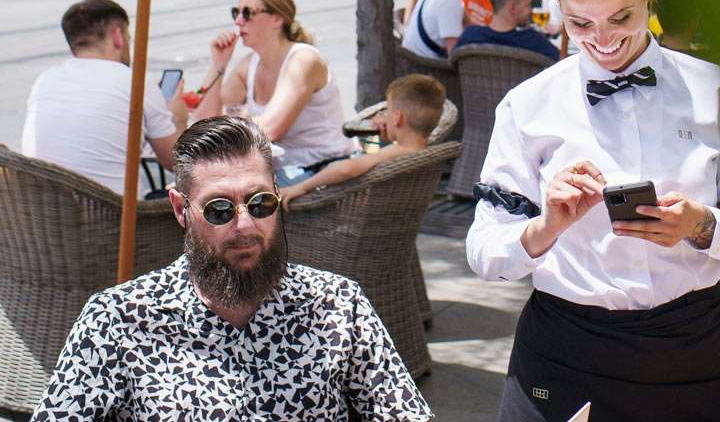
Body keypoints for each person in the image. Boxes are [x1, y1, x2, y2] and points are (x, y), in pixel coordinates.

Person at [467, 0, 720, 421]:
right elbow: (483, 252)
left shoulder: (716, 91)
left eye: (620, 18)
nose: (603, 40)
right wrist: (546, 227)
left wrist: (700, 226)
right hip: (565, 350)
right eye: (580, 24)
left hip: (690, 348)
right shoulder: (529, 105)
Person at [32, 117, 432, 421]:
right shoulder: (119, 319)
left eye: (260, 204)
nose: (245, 226)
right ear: (180, 209)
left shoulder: (338, 305)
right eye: (219, 209)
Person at [22, 0, 188, 199]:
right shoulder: (134, 82)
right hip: (114, 221)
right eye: (129, 37)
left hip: (40, 217)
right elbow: (179, 164)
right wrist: (178, 118)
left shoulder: (45, 80)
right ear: (118, 36)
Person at [193, 0, 353, 179]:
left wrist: (231, 126)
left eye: (247, 13)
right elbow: (202, 122)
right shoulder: (248, 65)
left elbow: (272, 129)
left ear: (277, 18)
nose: (239, 21)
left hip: (320, 169)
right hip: (276, 171)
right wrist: (219, 63)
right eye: (236, 13)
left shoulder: (303, 59)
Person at [279, 74, 446, 208]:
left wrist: (302, 187)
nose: (385, 116)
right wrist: (388, 135)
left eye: (388, 110)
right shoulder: (423, 152)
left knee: (276, 178)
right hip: (387, 217)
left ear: (398, 118)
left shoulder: (393, 154)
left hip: (339, 212)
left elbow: (346, 169)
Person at [456, 0, 560, 62]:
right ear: (512, 8)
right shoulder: (532, 40)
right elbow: (562, 64)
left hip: (474, 89)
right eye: (528, 5)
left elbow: (453, 62)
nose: (530, 11)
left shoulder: (470, 36)